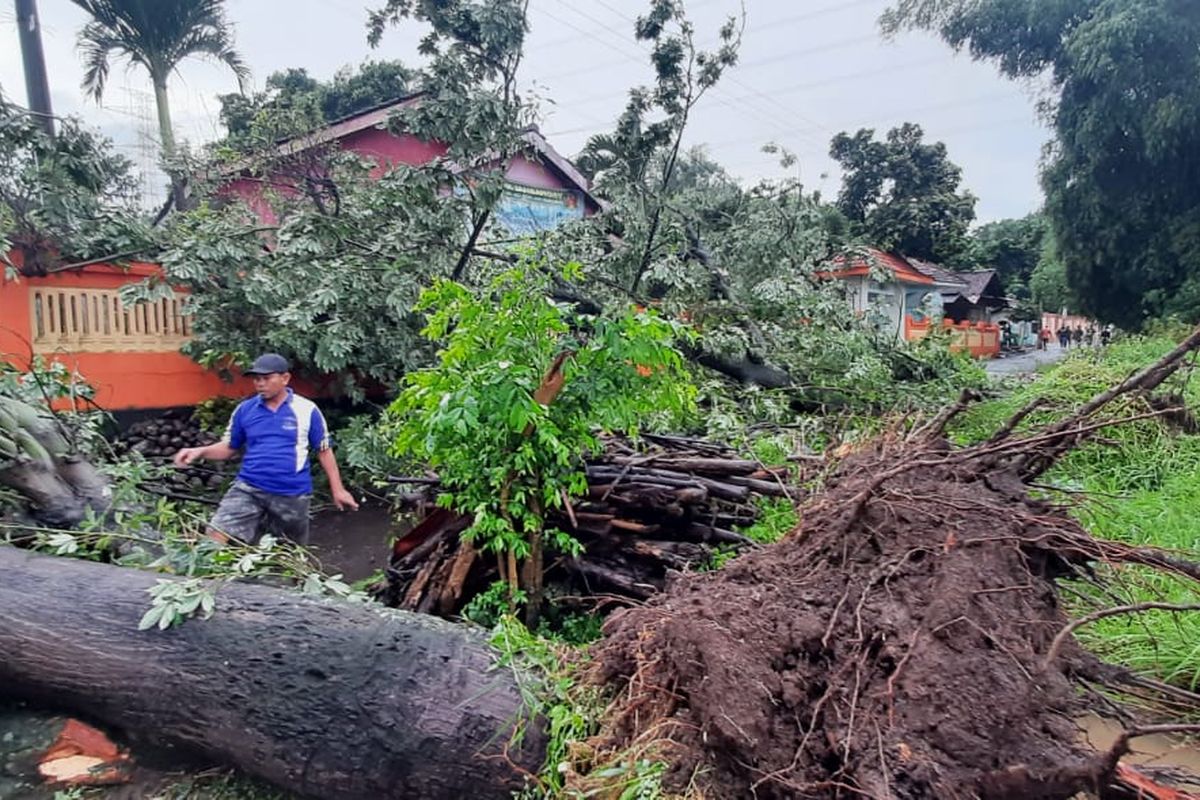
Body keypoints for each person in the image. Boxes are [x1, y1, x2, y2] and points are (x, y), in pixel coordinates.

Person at [172, 353, 359, 545]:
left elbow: (324, 450)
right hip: (249, 488)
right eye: (257, 379)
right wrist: (199, 451)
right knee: (216, 535)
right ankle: (209, 574)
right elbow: (229, 448)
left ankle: (285, 574)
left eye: (266, 378)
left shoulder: (306, 410)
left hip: (291, 493)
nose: (260, 384)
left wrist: (338, 490)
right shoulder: (245, 410)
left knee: (288, 554)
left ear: (285, 378)